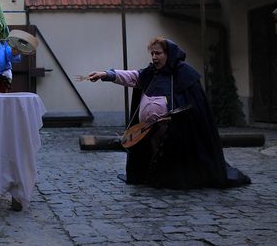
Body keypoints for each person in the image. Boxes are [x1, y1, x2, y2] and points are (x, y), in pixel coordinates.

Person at [88, 37, 251, 189]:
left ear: (169, 54)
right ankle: (154, 178)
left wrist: (173, 117)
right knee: (152, 157)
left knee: (171, 159)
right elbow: (132, 76)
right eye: (152, 53)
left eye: (158, 53)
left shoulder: (184, 73)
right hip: (148, 130)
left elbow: (194, 106)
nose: (154, 57)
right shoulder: (150, 73)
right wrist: (107, 74)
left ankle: (171, 179)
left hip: (175, 132)